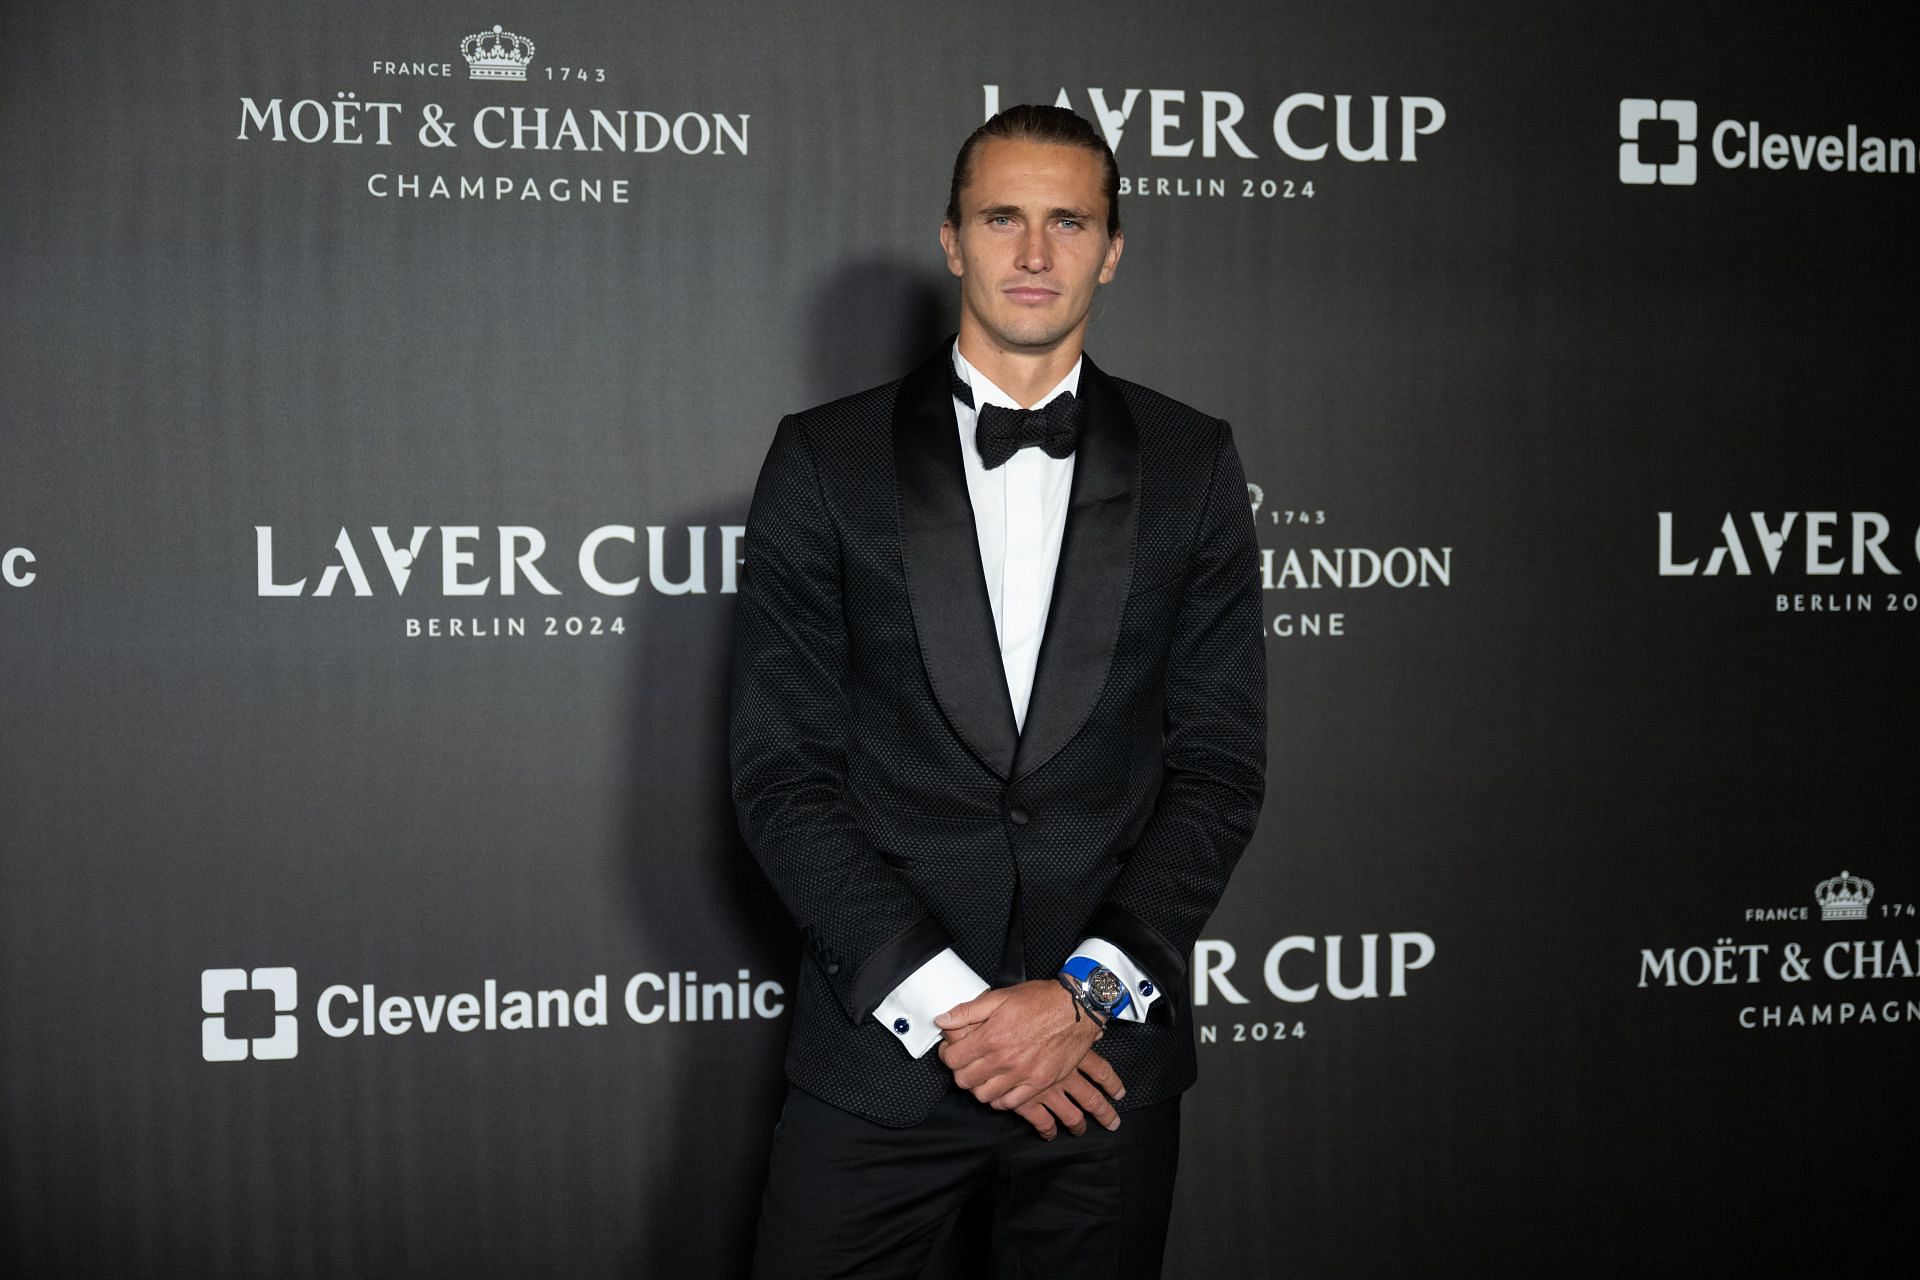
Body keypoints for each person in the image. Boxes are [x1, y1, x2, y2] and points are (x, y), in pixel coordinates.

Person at [729, 103, 1266, 1280]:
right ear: (952, 239)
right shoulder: (824, 459)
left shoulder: (1195, 464)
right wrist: (965, 1017)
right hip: (882, 1056)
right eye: (1003, 218)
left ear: (1112, 247)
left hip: (1104, 1064)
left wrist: (1079, 998)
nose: (1035, 252)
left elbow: (1220, 771)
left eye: (1068, 220)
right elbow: (781, 776)